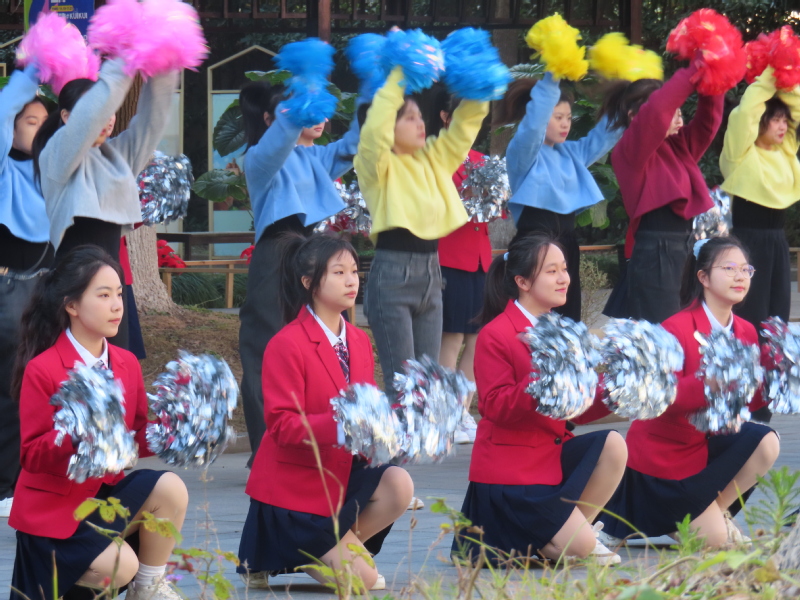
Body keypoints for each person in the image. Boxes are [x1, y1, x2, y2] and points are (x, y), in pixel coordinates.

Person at [8, 245, 188, 600]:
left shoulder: (125, 363)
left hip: (103, 497)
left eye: (119, 294)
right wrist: (77, 433)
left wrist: (173, 429)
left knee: (170, 487)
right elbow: (31, 455)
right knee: (121, 566)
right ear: (71, 305)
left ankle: (148, 589)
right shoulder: (43, 368)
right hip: (55, 514)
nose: (117, 305)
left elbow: (134, 438)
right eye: (103, 295)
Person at [237, 234, 413, 592]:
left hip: (340, 478)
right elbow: (283, 426)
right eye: (338, 272)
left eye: (354, 271)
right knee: (364, 582)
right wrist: (346, 423)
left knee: (399, 483)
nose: (351, 280)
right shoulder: (286, 343)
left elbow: (365, 410)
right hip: (294, 489)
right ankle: (304, 550)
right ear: (309, 282)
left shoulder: (359, 340)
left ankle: (329, 549)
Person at [451, 233, 627, 566]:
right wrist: (542, 382)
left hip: (550, 459)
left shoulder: (562, 330)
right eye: (552, 271)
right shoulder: (497, 333)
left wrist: (616, 389)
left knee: (614, 445)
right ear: (522, 281)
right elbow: (494, 406)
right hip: (511, 474)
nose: (564, 278)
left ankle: (573, 533)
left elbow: (579, 411)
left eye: (564, 269)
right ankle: (565, 539)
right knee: (581, 549)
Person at [602, 236, 780, 548]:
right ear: (703, 276)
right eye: (729, 268)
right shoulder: (676, 327)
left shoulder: (745, 331)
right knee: (715, 542)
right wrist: (710, 383)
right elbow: (662, 396)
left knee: (766, 441)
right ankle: (693, 519)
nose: (740, 276)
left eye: (746, 270)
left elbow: (746, 402)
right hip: (664, 458)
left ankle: (716, 512)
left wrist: (777, 377)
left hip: (705, 449)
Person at [237, 79, 361, 464]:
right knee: (265, 352)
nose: (319, 116)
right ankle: (266, 450)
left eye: (322, 109)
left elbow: (356, 143)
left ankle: (312, 440)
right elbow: (281, 138)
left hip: (311, 258)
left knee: (313, 347)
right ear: (273, 119)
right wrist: (301, 95)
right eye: (309, 110)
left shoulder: (316, 157)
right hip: (275, 257)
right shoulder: (259, 157)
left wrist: (377, 86)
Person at [354, 66, 488, 400]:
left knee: (427, 383)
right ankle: (392, 454)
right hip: (393, 275)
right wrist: (399, 73)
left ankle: (419, 453)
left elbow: (463, 129)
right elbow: (374, 134)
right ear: (389, 125)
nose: (420, 123)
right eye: (408, 117)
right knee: (403, 384)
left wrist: (477, 84)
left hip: (432, 273)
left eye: (419, 117)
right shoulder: (376, 165)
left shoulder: (434, 158)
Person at [32, 58, 177, 349]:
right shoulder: (57, 154)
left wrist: (165, 57)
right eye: (98, 110)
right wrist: (127, 58)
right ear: (66, 117)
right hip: (72, 286)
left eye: (111, 110)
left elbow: (152, 119)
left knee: (113, 375)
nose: (107, 117)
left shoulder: (118, 156)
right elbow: (90, 118)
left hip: (112, 288)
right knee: (73, 378)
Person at [497, 74, 624, 321]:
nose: (566, 124)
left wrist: (630, 95)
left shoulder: (571, 153)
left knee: (567, 321)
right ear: (543, 116)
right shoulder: (523, 154)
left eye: (568, 118)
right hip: (533, 248)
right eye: (558, 118)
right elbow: (533, 127)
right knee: (531, 321)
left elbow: (604, 136)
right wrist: (554, 74)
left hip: (566, 249)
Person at [607, 59, 724, 323]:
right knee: (664, 334)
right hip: (655, 251)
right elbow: (658, 111)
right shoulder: (628, 150)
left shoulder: (679, 146)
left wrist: (715, 74)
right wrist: (694, 68)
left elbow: (709, 122)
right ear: (635, 117)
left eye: (678, 110)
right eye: (672, 110)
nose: (677, 115)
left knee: (690, 328)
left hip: (686, 246)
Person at [0, 65, 51, 519]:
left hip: (49, 287)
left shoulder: (52, 167)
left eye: (43, 122)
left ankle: (32, 478)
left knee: (41, 387)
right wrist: (32, 67)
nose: (38, 130)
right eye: (29, 121)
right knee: (8, 386)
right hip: (9, 288)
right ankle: (6, 483)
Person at [720, 67, 800, 334]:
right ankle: (746, 372)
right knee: (749, 315)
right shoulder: (739, 153)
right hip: (746, 241)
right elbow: (745, 113)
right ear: (760, 122)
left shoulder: (786, 149)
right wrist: (769, 71)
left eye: (783, 120)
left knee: (778, 317)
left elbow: (797, 108)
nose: (782, 126)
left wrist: (786, 74)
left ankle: (775, 370)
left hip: (777, 241)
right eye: (775, 120)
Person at [430, 88, 490, 445]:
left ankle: (463, 412)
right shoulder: (436, 157)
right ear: (445, 118)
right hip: (450, 255)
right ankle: (444, 412)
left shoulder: (482, 160)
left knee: (478, 338)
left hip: (481, 257)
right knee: (451, 337)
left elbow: (494, 211)